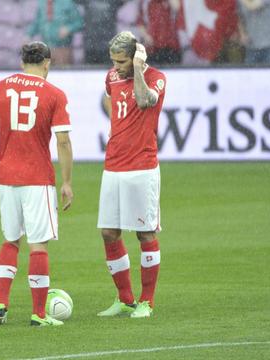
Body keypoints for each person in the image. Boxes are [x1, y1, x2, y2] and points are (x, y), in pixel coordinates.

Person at [0, 41, 74, 326]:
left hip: (6, 176)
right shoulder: (54, 94)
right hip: (37, 178)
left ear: (22, 61)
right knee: (38, 246)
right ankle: (39, 314)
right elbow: (63, 140)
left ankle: (1, 303)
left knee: (11, 240)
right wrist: (67, 182)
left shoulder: (1, 86)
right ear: (47, 63)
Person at [97, 31, 165, 319]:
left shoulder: (155, 78)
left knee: (144, 232)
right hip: (113, 164)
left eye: (122, 61)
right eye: (113, 61)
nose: (116, 67)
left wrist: (137, 69)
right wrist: (116, 123)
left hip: (142, 166)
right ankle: (125, 299)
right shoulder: (111, 77)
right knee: (109, 232)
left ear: (136, 56)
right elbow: (109, 97)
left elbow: (143, 100)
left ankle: (146, 301)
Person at [27, 0, 83, 65]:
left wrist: (68, 29)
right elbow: (37, 22)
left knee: (62, 73)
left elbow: (79, 23)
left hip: (62, 49)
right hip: (45, 50)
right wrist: (28, 35)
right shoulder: (42, 2)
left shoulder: (67, 2)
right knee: (47, 74)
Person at [74, 0, 126, 64]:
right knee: (90, 71)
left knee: (105, 70)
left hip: (106, 43)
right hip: (91, 43)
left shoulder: (114, 2)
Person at [137, 0, 182, 65]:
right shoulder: (145, 2)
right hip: (152, 48)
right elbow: (140, 22)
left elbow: (177, 7)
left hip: (171, 47)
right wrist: (146, 36)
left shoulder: (169, 2)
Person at [237, 0, 270, 65]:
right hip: (251, 47)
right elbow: (240, 17)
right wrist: (243, 34)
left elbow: (253, 7)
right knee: (250, 74)